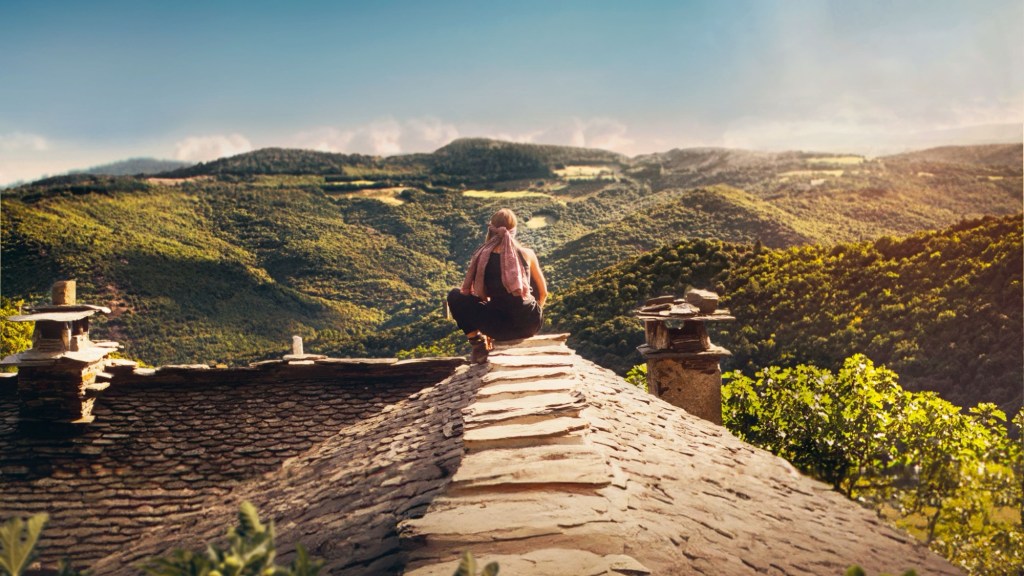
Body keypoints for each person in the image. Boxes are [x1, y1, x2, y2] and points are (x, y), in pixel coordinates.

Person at [447, 208, 548, 363]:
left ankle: (477, 344)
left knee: (455, 295)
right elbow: (543, 294)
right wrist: (530, 313)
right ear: (514, 230)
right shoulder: (527, 254)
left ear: (491, 229)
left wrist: (488, 326)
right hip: (530, 324)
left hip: (500, 328)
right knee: (525, 279)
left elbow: (482, 296)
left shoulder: (482, 256)